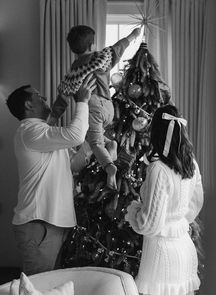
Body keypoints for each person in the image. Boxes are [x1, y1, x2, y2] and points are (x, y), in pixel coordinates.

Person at [6, 74, 96, 275]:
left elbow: (72, 165)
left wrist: (93, 143)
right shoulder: (29, 131)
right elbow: (75, 135)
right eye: (38, 95)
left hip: (51, 223)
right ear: (29, 105)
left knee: (48, 285)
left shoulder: (43, 134)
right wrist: (82, 101)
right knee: (38, 286)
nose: (44, 98)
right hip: (40, 225)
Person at [125, 105, 204, 295]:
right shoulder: (190, 163)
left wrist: (133, 211)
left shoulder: (158, 169)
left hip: (162, 255)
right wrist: (179, 218)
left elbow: (150, 223)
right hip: (184, 247)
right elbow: (196, 201)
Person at [58, 25, 142, 190]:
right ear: (91, 45)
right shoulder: (102, 57)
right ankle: (111, 144)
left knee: (95, 143)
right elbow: (120, 46)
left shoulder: (73, 73)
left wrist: (53, 117)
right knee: (94, 138)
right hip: (108, 106)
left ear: (72, 49)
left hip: (92, 107)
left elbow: (62, 98)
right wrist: (133, 35)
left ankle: (110, 167)